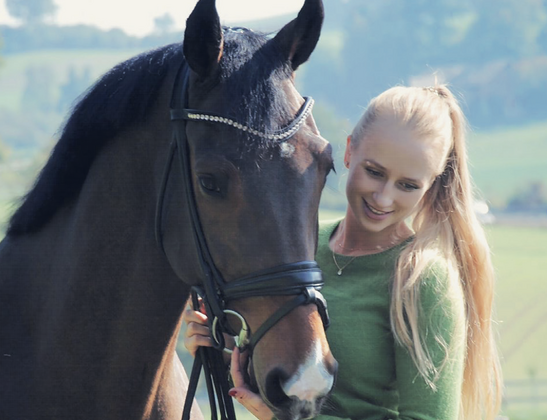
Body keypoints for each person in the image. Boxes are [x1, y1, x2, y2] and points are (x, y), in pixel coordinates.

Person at [183, 85, 503, 420]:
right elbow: (277, 374)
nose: (382, 198)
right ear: (349, 151)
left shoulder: (422, 280)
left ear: (432, 185)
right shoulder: (302, 247)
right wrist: (216, 351)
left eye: (407, 185)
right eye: (374, 172)